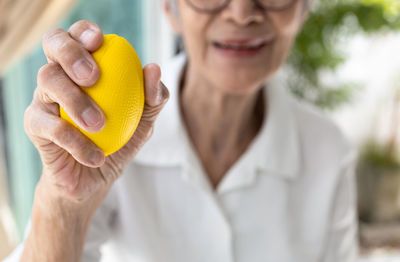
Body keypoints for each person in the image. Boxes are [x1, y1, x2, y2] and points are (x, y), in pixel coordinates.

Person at [5, 0, 358, 261]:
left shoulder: (328, 150)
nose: (241, 12)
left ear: (304, 8)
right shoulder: (104, 135)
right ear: (170, 9)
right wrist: (64, 202)